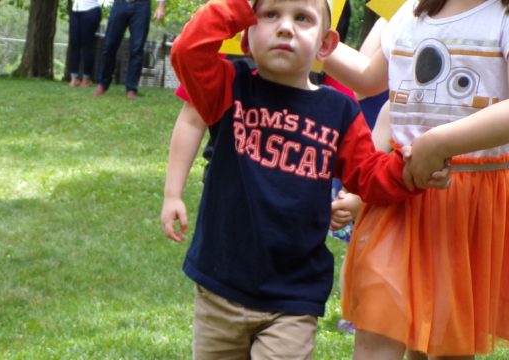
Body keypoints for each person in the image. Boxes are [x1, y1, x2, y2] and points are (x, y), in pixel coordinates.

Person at [160, 0, 448, 358]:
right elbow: (188, 51)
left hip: (292, 299)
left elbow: (369, 175)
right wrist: (239, 5)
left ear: (325, 45)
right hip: (220, 289)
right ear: (246, 38)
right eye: (270, 15)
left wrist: (411, 172)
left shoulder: (339, 110)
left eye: (302, 18)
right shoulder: (229, 89)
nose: (285, 27)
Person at [324, 0, 509, 358]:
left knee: (445, 346)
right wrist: (317, 40)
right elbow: (369, 79)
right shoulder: (413, 10)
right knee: (377, 324)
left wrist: (439, 142)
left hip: (468, 204)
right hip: (398, 192)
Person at [93, 0, 166, 99]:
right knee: (109, 46)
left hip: (142, 6)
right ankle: (103, 84)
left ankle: (131, 89)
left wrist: (161, 6)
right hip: (120, 4)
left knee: (137, 48)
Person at [68, 0, 102, 87]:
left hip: (90, 9)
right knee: (74, 44)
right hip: (76, 10)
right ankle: (74, 78)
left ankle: (86, 78)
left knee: (87, 45)